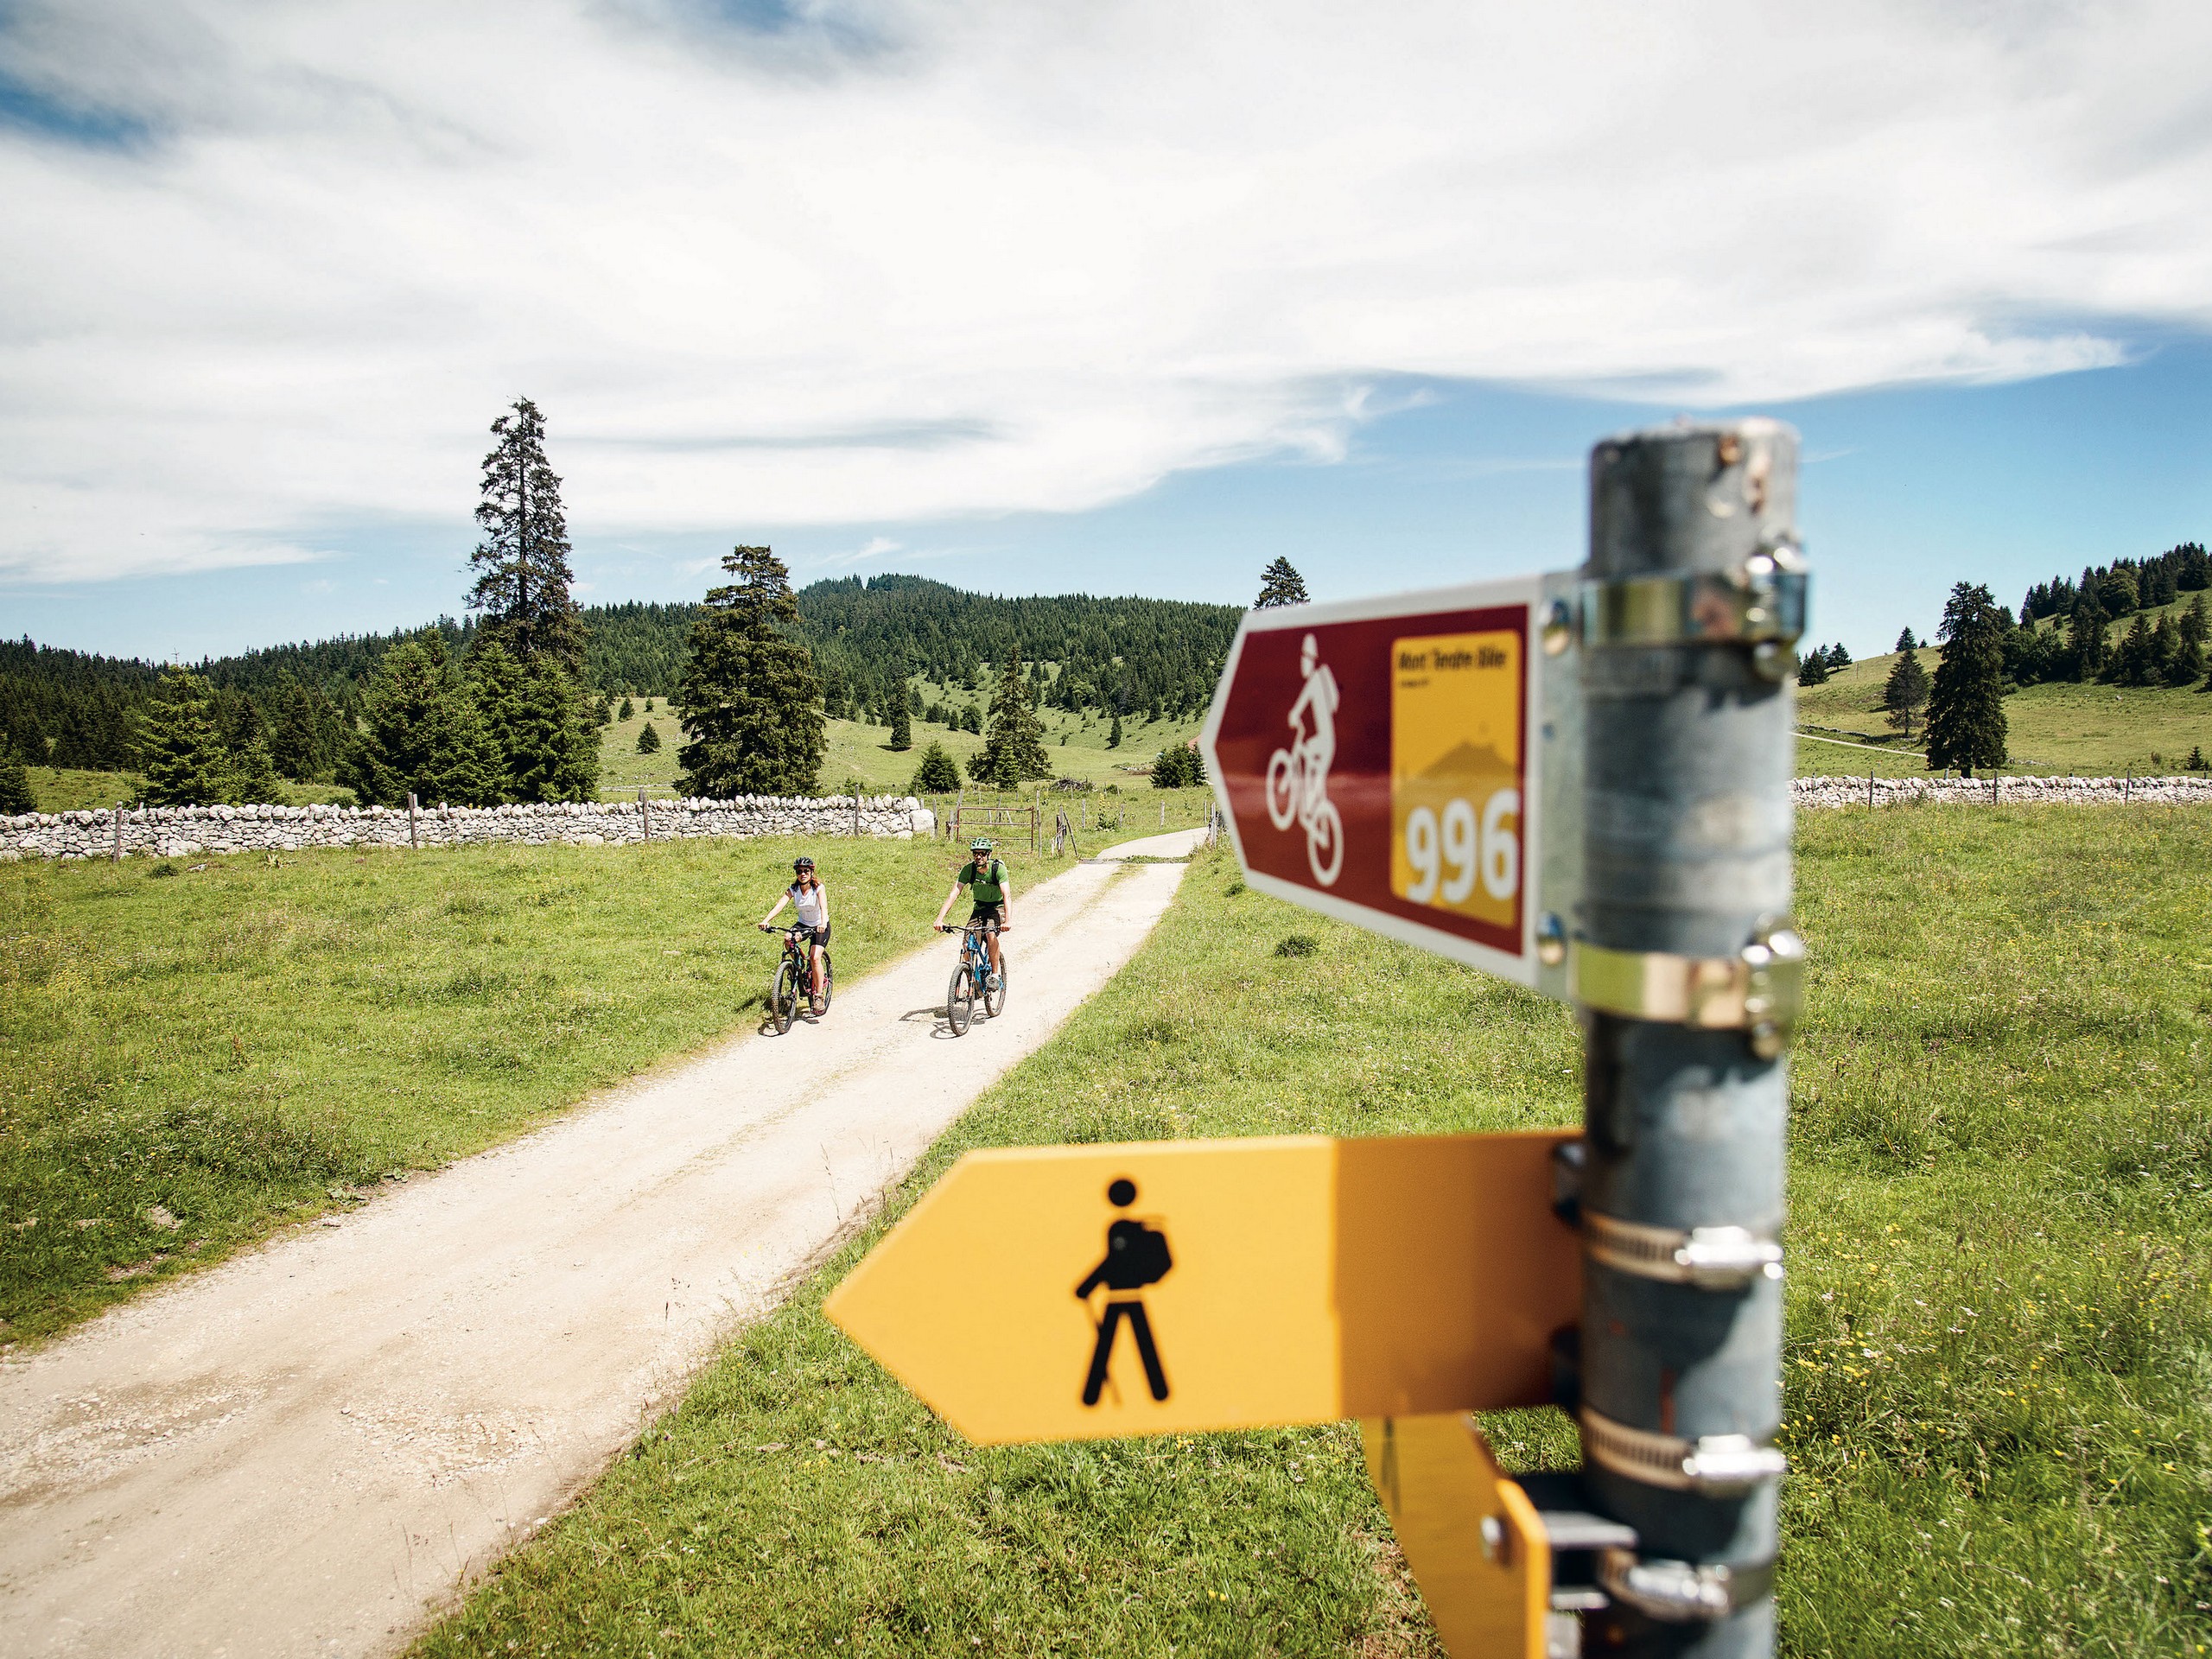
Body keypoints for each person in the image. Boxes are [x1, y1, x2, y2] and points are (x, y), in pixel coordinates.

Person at [758, 855, 830, 1014]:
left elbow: (824, 908)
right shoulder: (794, 889)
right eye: (799, 871)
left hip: (819, 925)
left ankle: (818, 996)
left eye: (806, 871)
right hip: (803, 924)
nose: (802, 874)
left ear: (811, 872)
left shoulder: (818, 888)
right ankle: (797, 966)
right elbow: (780, 905)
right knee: (787, 938)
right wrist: (766, 920)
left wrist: (823, 923)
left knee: (815, 957)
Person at [933, 836, 1011, 982]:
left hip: (996, 908)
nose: (979, 857)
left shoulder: (998, 869)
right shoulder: (969, 870)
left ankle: (994, 975)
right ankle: (970, 978)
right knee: (967, 943)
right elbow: (953, 894)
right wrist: (939, 919)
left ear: (989, 854)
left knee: (990, 934)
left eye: (982, 853)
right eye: (976, 853)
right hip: (979, 908)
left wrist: (1007, 920)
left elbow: (1007, 895)